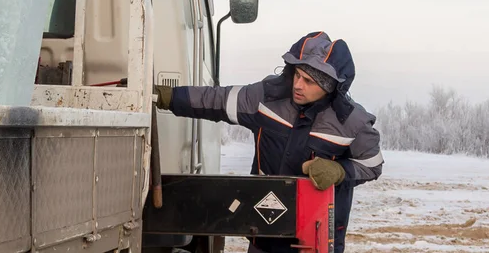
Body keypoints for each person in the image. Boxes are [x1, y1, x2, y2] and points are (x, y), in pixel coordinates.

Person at [154, 31, 383, 253]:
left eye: (309, 81)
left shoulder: (352, 122)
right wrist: (172, 97)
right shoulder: (266, 98)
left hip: (315, 237)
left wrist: (339, 171)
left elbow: (372, 165)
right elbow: (218, 99)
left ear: (329, 87)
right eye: (297, 75)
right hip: (264, 230)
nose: (298, 85)